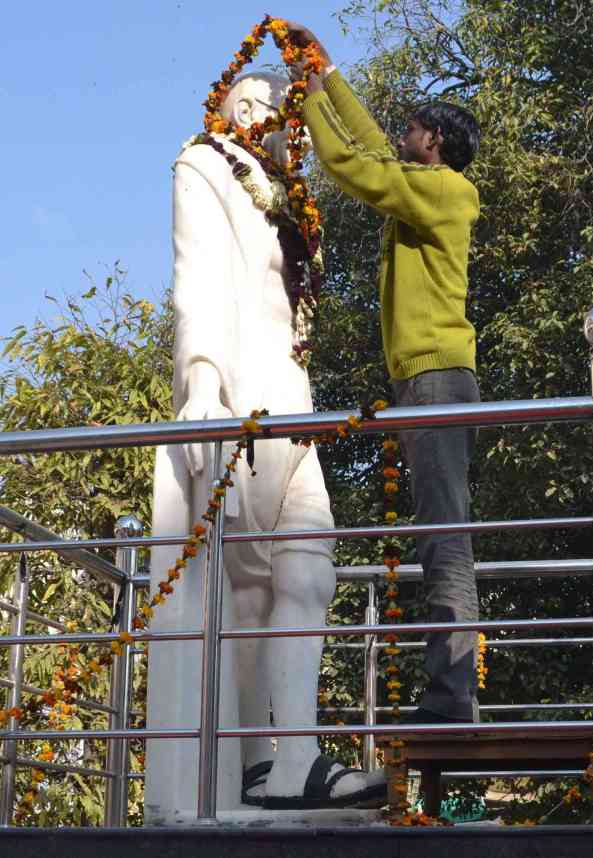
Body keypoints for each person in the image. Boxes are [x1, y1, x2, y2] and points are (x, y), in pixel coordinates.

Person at [145, 71, 384, 821]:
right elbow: (199, 278)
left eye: (270, 110)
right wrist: (204, 384)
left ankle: (297, 756)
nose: (256, 119)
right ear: (220, 111)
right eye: (240, 105)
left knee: (311, 565)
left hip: (291, 399)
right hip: (240, 393)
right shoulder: (206, 163)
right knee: (246, 586)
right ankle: (256, 763)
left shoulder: (291, 202)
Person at [288, 22, 482, 725]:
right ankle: (450, 694)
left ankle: (452, 698)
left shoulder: (449, 191)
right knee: (438, 531)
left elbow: (354, 167)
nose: (402, 130)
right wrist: (329, 71)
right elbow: (373, 150)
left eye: (412, 126)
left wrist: (308, 98)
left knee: (444, 534)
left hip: (437, 378)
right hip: (422, 379)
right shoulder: (423, 183)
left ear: (434, 142)